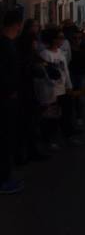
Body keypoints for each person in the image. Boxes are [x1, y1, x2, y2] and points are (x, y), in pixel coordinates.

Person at [14, 20, 47, 165]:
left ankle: (27, 153)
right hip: (24, 94)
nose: (36, 45)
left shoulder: (24, 53)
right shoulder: (25, 57)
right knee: (27, 125)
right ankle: (25, 154)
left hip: (26, 93)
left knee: (28, 125)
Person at [0, 6, 24, 195]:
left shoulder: (8, 43)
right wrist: (11, 92)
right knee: (5, 139)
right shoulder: (6, 45)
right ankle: (4, 180)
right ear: (18, 24)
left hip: (8, 98)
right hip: (6, 100)